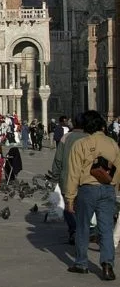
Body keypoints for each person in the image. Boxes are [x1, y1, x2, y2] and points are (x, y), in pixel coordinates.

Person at [65, 110, 120, 280]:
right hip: (108, 188)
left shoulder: (80, 144)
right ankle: (107, 265)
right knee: (105, 229)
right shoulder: (112, 143)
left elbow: (73, 173)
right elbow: (118, 170)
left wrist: (69, 197)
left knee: (82, 227)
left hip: (87, 189)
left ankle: (81, 263)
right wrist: (114, 189)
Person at [52, 111, 87, 246]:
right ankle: (83, 230)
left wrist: (55, 176)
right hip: (84, 179)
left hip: (66, 178)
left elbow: (58, 159)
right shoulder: (89, 138)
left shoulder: (66, 138)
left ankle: (73, 230)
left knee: (68, 205)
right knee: (82, 206)